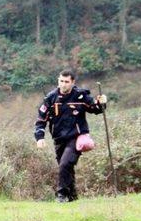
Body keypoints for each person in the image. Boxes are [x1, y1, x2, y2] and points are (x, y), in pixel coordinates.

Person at [34, 70, 107, 203]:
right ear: (58, 81)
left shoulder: (80, 96)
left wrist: (101, 103)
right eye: (61, 81)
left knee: (65, 164)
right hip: (58, 139)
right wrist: (40, 137)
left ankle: (61, 195)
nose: (63, 84)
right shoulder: (50, 98)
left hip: (76, 137)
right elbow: (41, 120)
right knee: (67, 168)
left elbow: (96, 109)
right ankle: (73, 197)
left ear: (73, 82)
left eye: (66, 82)